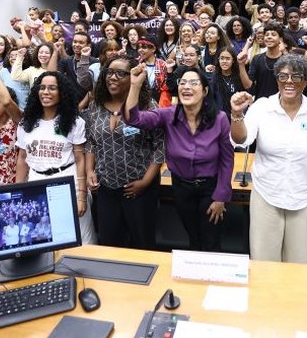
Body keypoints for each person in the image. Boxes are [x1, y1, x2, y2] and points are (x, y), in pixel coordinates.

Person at [230, 54, 307, 263]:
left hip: (303, 194)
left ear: (306, 81)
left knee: (298, 262)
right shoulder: (262, 107)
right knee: (264, 259)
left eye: (296, 76)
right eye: (283, 77)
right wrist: (236, 114)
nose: (289, 81)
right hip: (267, 191)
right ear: (277, 80)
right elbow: (241, 140)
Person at [125, 66, 233, 251]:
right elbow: (133, 120)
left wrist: (221, 197)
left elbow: (226, 159)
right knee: (192, 237)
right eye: (182, 82)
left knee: (211, 240)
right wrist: (135, 85)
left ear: (205, 91)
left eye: (193, 83)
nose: (186, 87)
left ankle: (212, 277)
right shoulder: (168, 114)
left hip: (210, 188)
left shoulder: (220, 118)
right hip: (182, 188)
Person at [85, 55, 165, 249]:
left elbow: (161, 147)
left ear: (133, 78)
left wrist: (145, 182)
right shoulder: (95, 106)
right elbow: (91, 143)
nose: (112, 77)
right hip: (106, 187)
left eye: (120, 74)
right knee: (110, 242)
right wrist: (89, 171)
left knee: (142, 244)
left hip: (138, 187)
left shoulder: (148, 108)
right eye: (109, 73)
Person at [15, 72, 97, 244]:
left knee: (82, 239)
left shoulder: (74, 122)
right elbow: (22, 159)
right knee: (46, 237)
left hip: (67, 181)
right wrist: (19, 193)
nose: (46, 92)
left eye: (52, 88)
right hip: (36, 182)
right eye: (42, 88)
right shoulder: (26, 123)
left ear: (62, 93)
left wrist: (82, 197)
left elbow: (80, 159)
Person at [211, 46, 251, 118]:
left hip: (238, 116)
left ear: (233, 60)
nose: (224, 61)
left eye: (228, 58)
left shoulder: (239, 76)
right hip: (220, 118)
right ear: (218, 60)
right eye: (222, 58)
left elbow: (247, 88)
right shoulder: (214, 78)